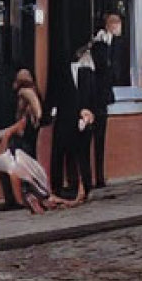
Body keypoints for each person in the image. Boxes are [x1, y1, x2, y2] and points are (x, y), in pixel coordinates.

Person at [50, 45, 96, 202]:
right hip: (64, 118)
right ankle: (60, 187)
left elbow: (92, 96)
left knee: (81, 154)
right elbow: (55, 94)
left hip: (83, 120)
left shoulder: (87, 72)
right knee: (60, 153)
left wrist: (88, 114)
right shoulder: (61, 71)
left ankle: (83, 186)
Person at [0, 69, 43, 211]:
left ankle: (17, 199)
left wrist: (35, 117)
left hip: (23, 133)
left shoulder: (25, 91)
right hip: (26, 133)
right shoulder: (27, 91)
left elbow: (38, 109)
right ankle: (20, 197)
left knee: (14, 166)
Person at [89, 12, 121, 188]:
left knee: (100, 140)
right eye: (116, 23)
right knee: (94, 139)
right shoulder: (100, 44)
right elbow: (107, 70)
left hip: (102, 98)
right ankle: (95, 177)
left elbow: (115, 71)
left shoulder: (112, 44)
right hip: (96, 99)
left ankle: (99, 176)